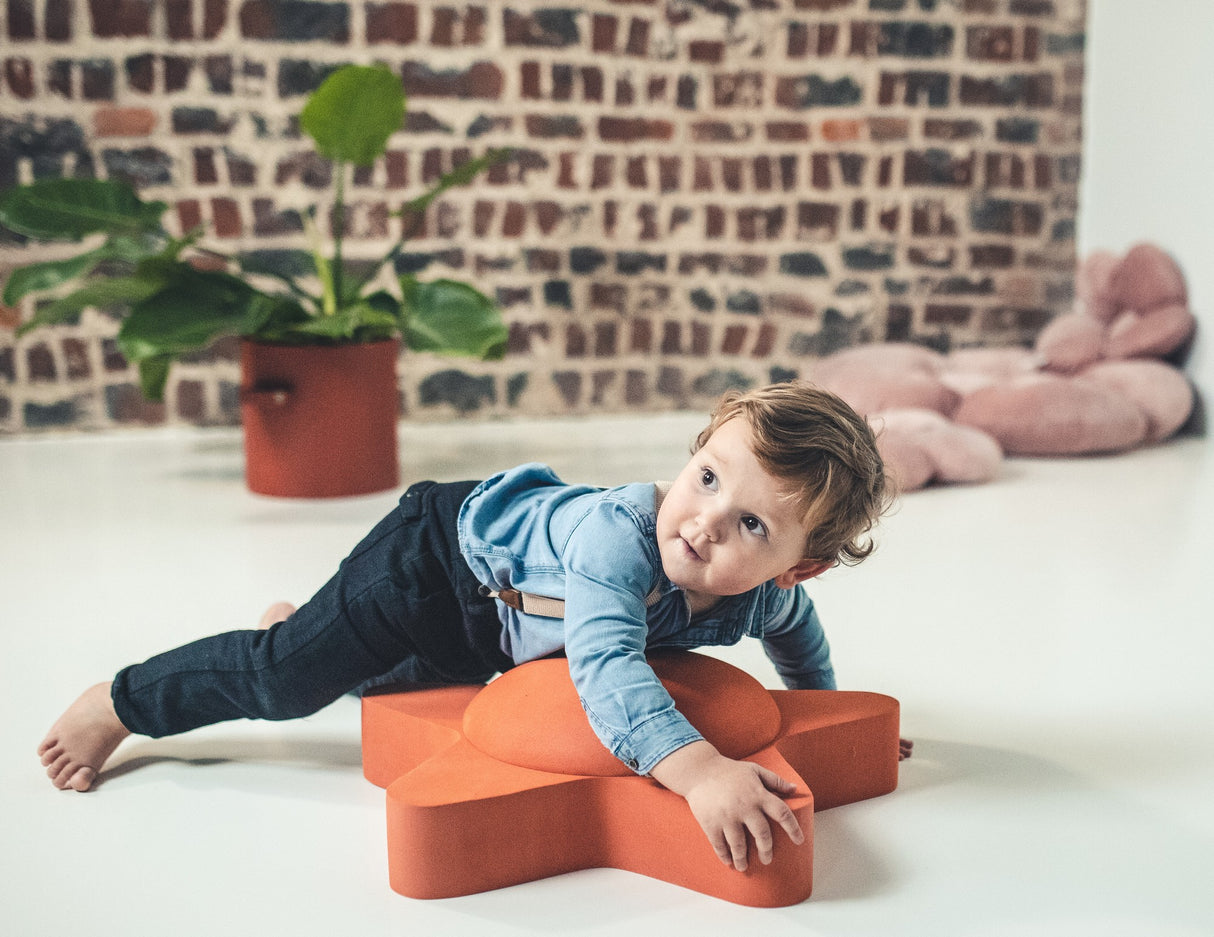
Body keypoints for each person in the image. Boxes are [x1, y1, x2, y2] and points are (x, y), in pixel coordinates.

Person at [39, 381, 901, 873]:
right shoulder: (619, 539)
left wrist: (826, 716)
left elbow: (799, 637)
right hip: (432, 565)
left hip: (494, 640)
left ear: (799, 564)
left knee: (400, 688)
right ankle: (120, 702)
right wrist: (701, 770)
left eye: (753, 525)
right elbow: (605, 664)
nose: (707, 522)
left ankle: (310, 622)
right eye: (708, 476)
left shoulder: (766, 596)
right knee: (287, 681)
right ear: (695, 447)